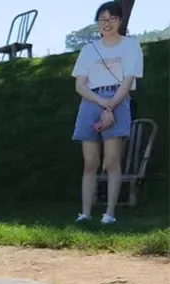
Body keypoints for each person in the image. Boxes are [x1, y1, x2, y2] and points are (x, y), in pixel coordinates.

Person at [72, 2, 144, 225]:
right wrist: (102, 103)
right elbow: (80, 85)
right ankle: (84, 213)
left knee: (112, 161)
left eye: (112, 18)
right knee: (90, 162)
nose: (107, 23)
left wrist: (110, 107)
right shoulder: (89, 50)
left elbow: (128, 81)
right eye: (102, 19)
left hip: (118, 101)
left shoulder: (131, 46)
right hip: (91, 101)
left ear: (120, 21)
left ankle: (109, 214)